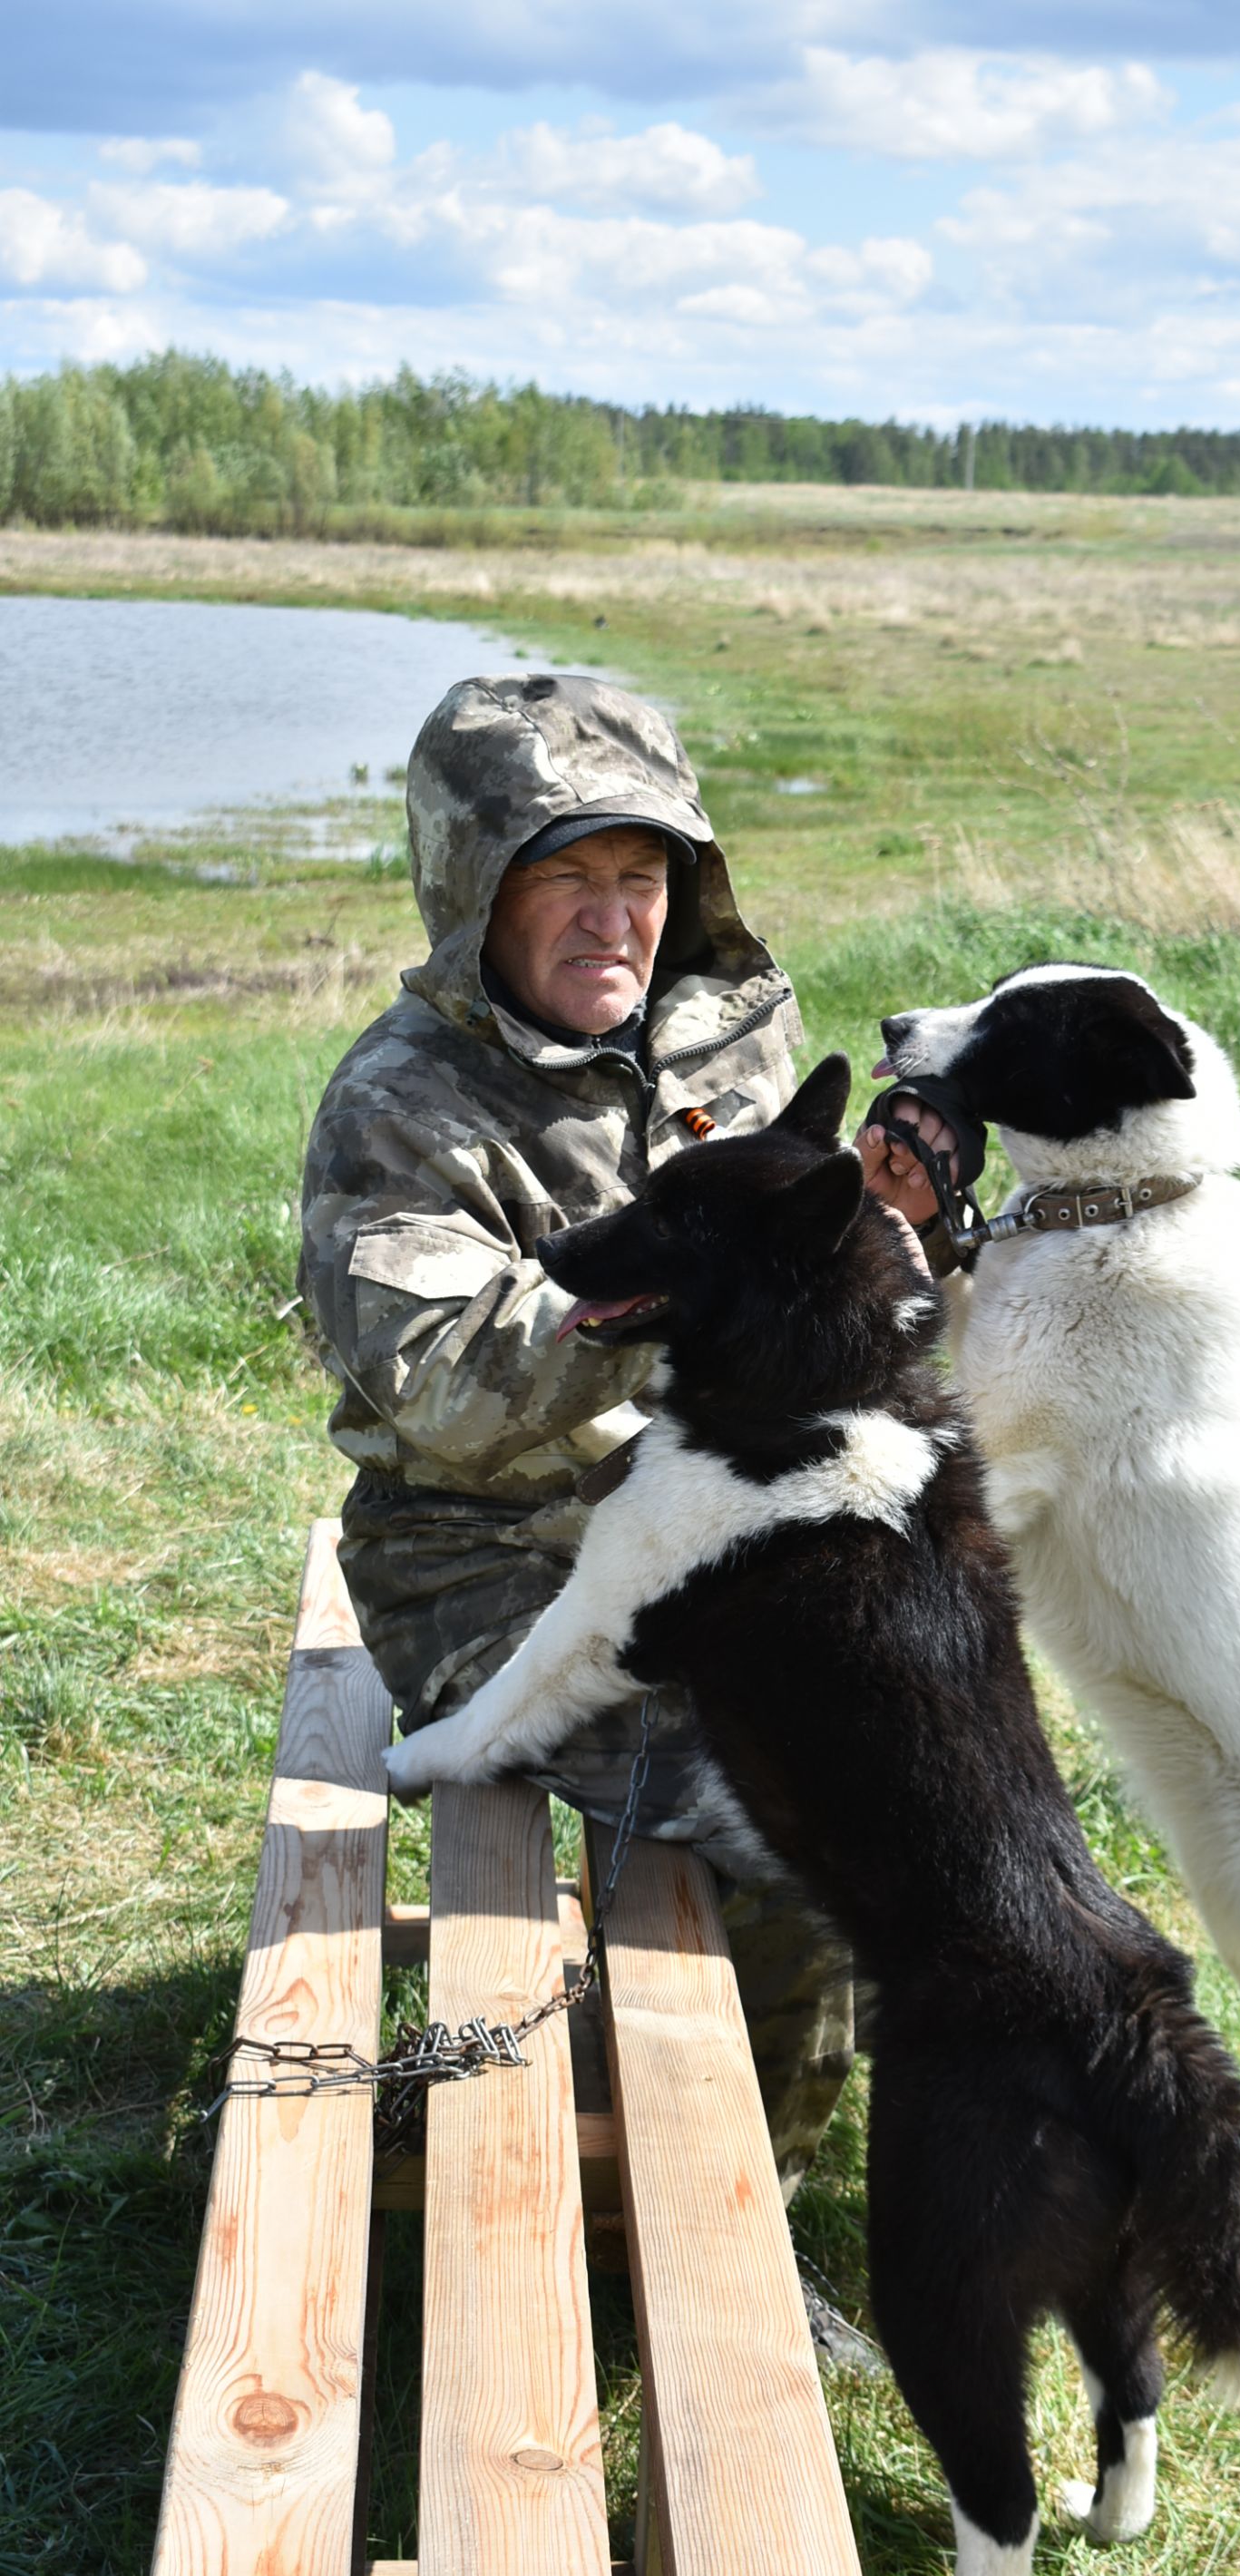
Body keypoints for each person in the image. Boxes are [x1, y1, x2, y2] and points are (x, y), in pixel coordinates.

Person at [298, 669, 952, 2202]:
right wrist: (687, 1292)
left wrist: (905, 1227)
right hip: (490, 1570)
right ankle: (714, 2213)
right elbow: (446, 1384)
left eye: (642, 877)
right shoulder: (402, 1108)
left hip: (727, 1529)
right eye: (565, 878)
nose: (615, 920)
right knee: (789, 1797)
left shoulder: (736, 1032)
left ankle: (781, 2143)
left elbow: (833, 1283)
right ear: (474, 895)